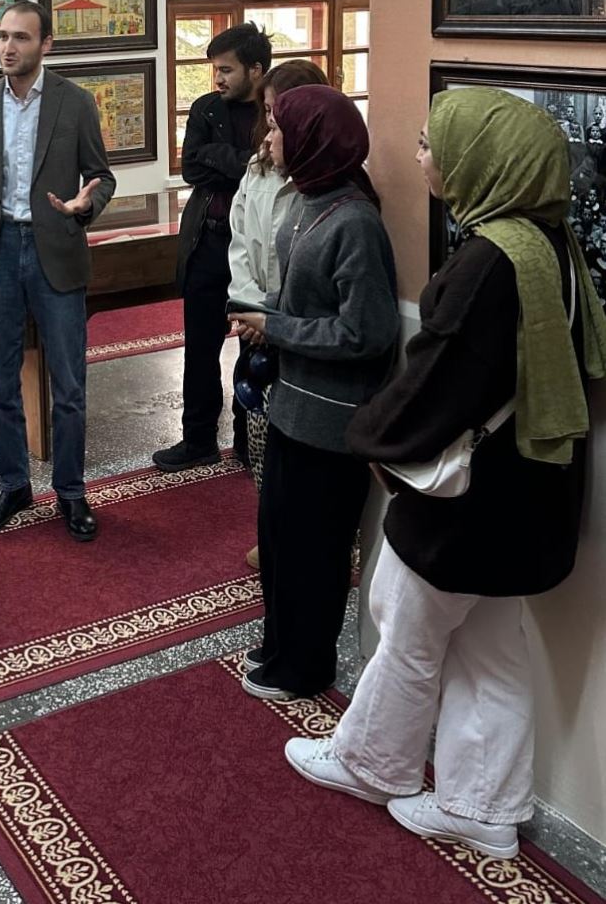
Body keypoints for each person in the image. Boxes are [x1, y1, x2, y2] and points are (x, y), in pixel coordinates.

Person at [284, 88, 606, 861]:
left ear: (482, 159)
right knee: (491, 649)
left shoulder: (492, 258)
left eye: (432, 144)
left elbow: (438, 380)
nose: (421, 156)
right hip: (527, 492)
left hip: (469, 501)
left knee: (405, 626)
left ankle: (370, 764)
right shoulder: (548, 243)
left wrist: (372, 439)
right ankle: (482, 807)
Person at [229, 85, 398, 701]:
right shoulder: (306, 199)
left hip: (332, 421)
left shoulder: (354, 221)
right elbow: (301, 297)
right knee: (279, 541)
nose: (270, 137)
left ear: (313, 139)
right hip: (291, 406)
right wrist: (265, 315)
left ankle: (305, 667)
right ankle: (280, 646)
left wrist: (277, 327)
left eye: (279, 127)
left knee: (314, 552)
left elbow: (366, 333)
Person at [0, 1, 116, 542]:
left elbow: (101, 176)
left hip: (56, 246)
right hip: (1, 250)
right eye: (2, 36)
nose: (8, 47)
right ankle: (13, 485)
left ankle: (71, 491)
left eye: (21, 38)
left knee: (69, 384)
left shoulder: (75, 103)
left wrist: (86, 203)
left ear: (46, 44)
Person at [154, 22, 271, 473]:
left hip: (255, 247)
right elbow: (192, 169)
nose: (217, 79)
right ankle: (198, 439)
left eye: (226, 70)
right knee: (200, 348)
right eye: (215, 70)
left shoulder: (274, 109)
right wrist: (242, 163)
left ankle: (247, 439)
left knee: (252, 344)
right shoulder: (206, 109)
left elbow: (269, 173)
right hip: (208, 239)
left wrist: (221, 158)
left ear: (255, 70)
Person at [226, 59, 329, 571]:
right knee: (261, 437)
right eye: (266, 112)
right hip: (258, 326)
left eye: (278, 113)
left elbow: (312, 269)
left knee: (304, 447)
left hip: (298, 332)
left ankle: (316, 538)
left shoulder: (326, 180)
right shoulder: (258, 168)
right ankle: (273, 532)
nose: (269, 127)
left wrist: (276, 321)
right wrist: (251, 311)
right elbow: (241, 243)